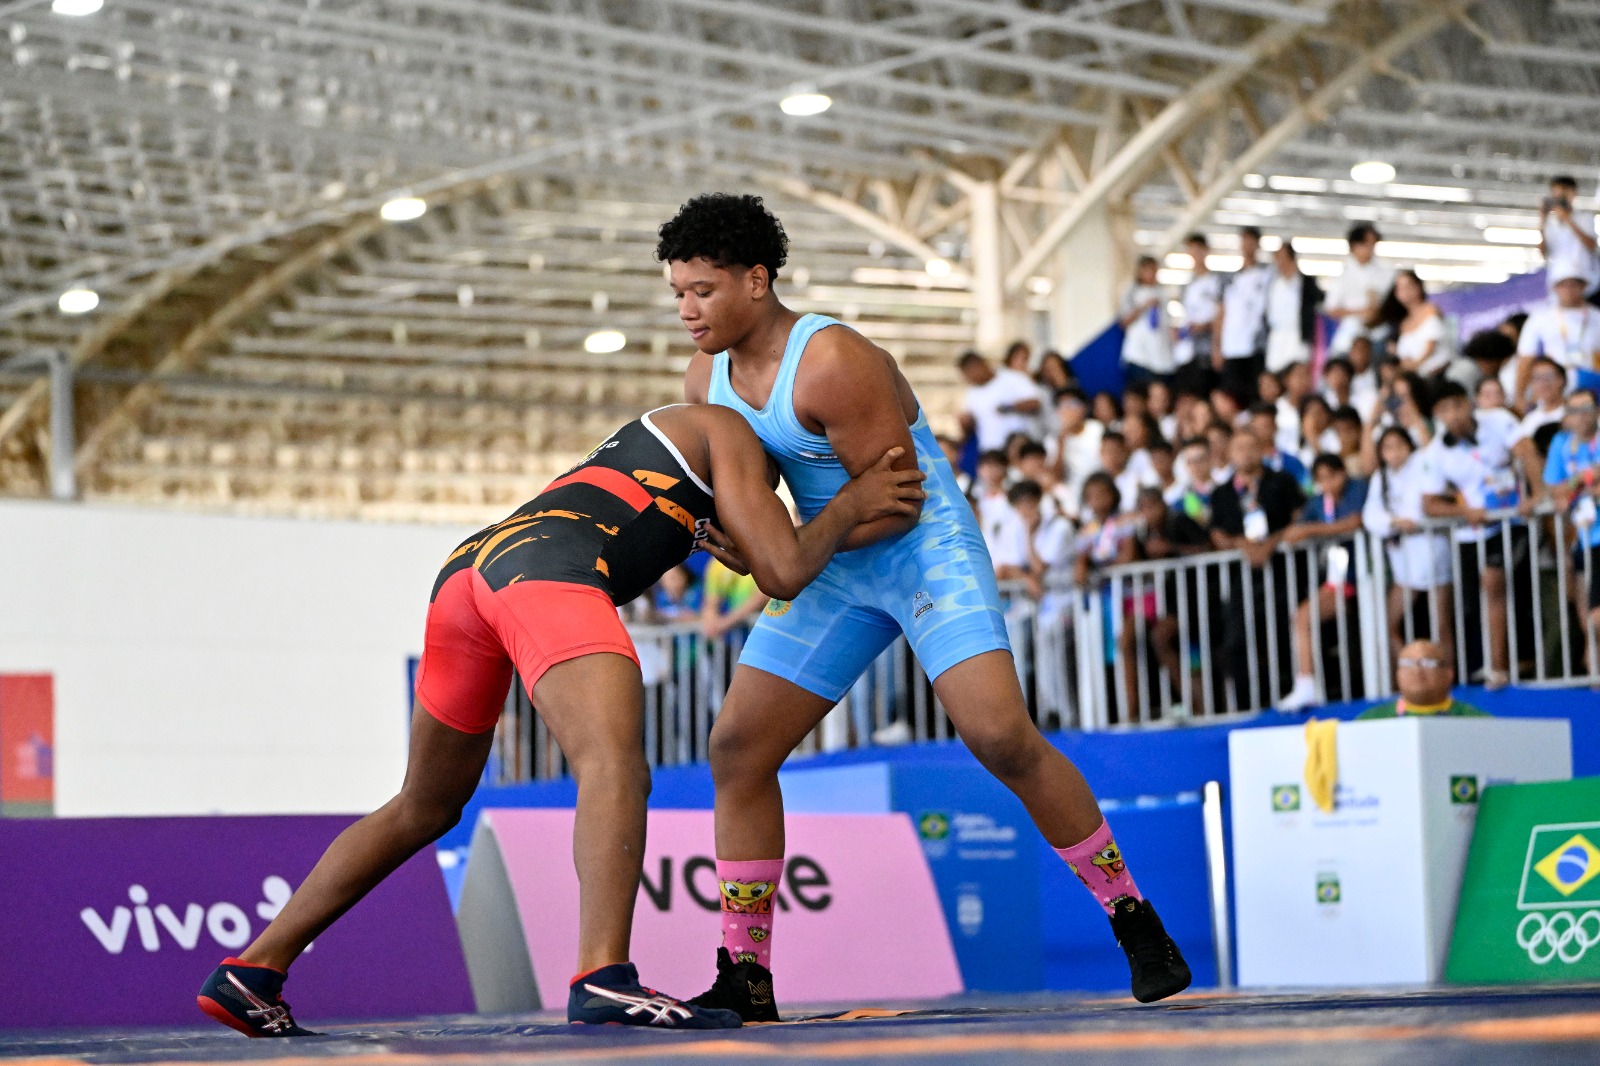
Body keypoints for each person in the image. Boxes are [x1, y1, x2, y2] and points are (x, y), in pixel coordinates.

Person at [196, 404, 926, 1036]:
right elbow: (784, 571)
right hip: (549, 571)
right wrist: (854, 502)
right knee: (613, 766)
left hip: (468, 571)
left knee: (424, 802)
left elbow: (735, 540)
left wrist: (769, 533)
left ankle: (253, 970)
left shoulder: (677, 436)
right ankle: (604, 977)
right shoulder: (732, 428)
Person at [661, 193, 1191, 1017]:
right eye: (678, 294)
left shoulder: (833, 359)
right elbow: (762, 499)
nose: (688, 311)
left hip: (918, 548)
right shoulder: (707, 378)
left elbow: (896, 503)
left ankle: (1132, 914)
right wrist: (743, 536)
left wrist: (797, 543)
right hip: (837, 553)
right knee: (735, 748)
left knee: (1000, 736)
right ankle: (747, 975)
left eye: (702, 291)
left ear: (757, 281)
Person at [1422, 382, 1525, 690]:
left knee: (1493, 581)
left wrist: (1536, 497)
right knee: (1473, 602)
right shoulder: (1437, 452)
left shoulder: (1499, 421)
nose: (1453, 415)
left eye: (1457, 405)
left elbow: (1527, 453)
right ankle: (1485, 665)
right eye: (1444, 410)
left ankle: (1500, 667)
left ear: (1469, 403)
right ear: (1436, 415)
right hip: (1471, 533)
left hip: (1509, 521)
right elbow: (1429, 504)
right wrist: (1463, 513)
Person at [1211, 428, 1305, 709]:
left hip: (1282, 571)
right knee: (1237, 638)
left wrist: (1271, 544)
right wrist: (1243, 545)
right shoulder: (1223, 492)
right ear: (1229, 454)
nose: (1245, 454)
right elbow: (1217, 534)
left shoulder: (1282, 482)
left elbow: (1299, 518)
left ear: (1263, 450)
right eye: (1238, 448)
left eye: (1251, 447)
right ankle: (1246, 704)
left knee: (1284, 633)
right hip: (1244, 578)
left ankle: (1289, 696)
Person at [1277, 454, 1370, 711]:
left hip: (1364, 573)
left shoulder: (1359, 490)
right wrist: (1306, 528)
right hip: (1337, 577)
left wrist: (1312, 530)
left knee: (1303, 618)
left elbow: (1355, 522)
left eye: (1333, 476)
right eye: (1321, 479)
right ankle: (1307, 683)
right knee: (1302, 617)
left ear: (1343, 473)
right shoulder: (1319, 503)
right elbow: (1293, 532)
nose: (1328, 484)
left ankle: (1307, 684)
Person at [1363, 426, 1453, 674]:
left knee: (1441, 625)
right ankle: (1410, 674)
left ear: (1409, 446)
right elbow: (1370, 516)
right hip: (1403, 561)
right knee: (1387, 623)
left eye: (1399, 445)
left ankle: (1448, 679)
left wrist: (1406, 520)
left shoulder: (1422, 464)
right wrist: (1393, 522)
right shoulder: (1380, 478)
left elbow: (1420, 510)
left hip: (1432, 553)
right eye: (1387, 448)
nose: (1394, 453)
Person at [1542, 389, 1600, 671]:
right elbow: (1555, 489)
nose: (1579, 416)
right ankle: (1594, 687)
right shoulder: (1561, 444)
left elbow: (1568, 489)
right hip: (1582, 539)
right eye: (1572, 410)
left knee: (1597, 617)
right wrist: (1589, 479)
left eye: (1586, 408)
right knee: (1587, 623)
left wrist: (1576, 485)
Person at [1515, 273, 1600, 401]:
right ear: (1554, 287)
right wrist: (1519, 396)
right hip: (1551, 385)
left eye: (1574, 284)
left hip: (1591, 383)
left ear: (1584, 286)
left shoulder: (1597, 316)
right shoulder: (1539, 317)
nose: (1569, 290)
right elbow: (1525, 360)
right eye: (1564, 285)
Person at [1214, 226, 1272, 407]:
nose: (1247, 246)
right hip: (1233, 346)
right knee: (1232, 395)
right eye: (1244, 241)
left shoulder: (1268, 274)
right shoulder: (1229, 279)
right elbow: (1221, 312)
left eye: (1251, 241)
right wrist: (1217, 346)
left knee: (1256, 392)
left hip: (1257, 345)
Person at [1355, 641, 1488, 719]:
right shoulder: (1372, 720)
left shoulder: (1474, 720)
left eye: (1427, 663)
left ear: (1448, 674)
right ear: (1398, 674)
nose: (1417, 670)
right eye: (1408, 663)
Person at [1325, 223, 1394, 357]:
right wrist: (1362, 311)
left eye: (1373, 244)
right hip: (1350, 335)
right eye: (1366, 244)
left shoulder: (1386, 272)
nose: (1370, 249)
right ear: (1354, 246)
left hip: (1378, 334)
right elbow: (1331, 309)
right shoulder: (1343, 276)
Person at [957, 350, 1042, 453]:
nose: (970, 377)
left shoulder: (1012, 378)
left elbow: (1035, 403)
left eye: (971, 371)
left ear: (981, 364)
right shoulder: (971, 394)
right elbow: (969, 429)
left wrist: (1010, 407)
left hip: (1020, 447)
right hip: (991, 453)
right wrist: (965, 422)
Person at [1174, 233, 1223, 400]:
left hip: (1209, 349)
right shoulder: (1187, 286)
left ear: (1206, 251)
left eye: (1198, 250)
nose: (1195, 254)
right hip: (1189, 350)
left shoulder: (1217, 281)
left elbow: (1221, 313)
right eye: (1191, 250)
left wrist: (1209, 331)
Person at [1264, 244, 1323, 375]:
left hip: (1297, 336)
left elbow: (1321, 301)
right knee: (1275, 372)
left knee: (1297, 373)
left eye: (1282, 257)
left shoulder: (1305, 282)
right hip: (1277, 337)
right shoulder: (1273, 283)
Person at [1540, 176, 1599, 303]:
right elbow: (1543, 253)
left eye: (1564, 193)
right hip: (1560, 284)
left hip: (1587, 282)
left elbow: (1592, 245)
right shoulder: (1550, 223)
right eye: (1556, 194)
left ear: (1573, 195)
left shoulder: (1584, 218)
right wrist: (1542, 220)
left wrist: (1567, 219)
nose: (1560, 198)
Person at [1383, 269, 1451, 378]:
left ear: (1418, 286)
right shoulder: (1403, 323)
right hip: (1413, 377)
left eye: (1407, 286)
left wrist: (1416, 364)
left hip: (1437, 372)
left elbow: (1430, 347)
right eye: (1399, 288)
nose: (1404, 291)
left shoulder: (1431, 310)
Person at [1120, 255, 1175, 386]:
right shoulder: (1132, 291)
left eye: (1154, 270)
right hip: (1139, 356)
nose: (1152, 274)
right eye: (1148, 270)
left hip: (1161, 356)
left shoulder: (1162, 293)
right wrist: (1144, 306)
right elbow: (1124, 321)